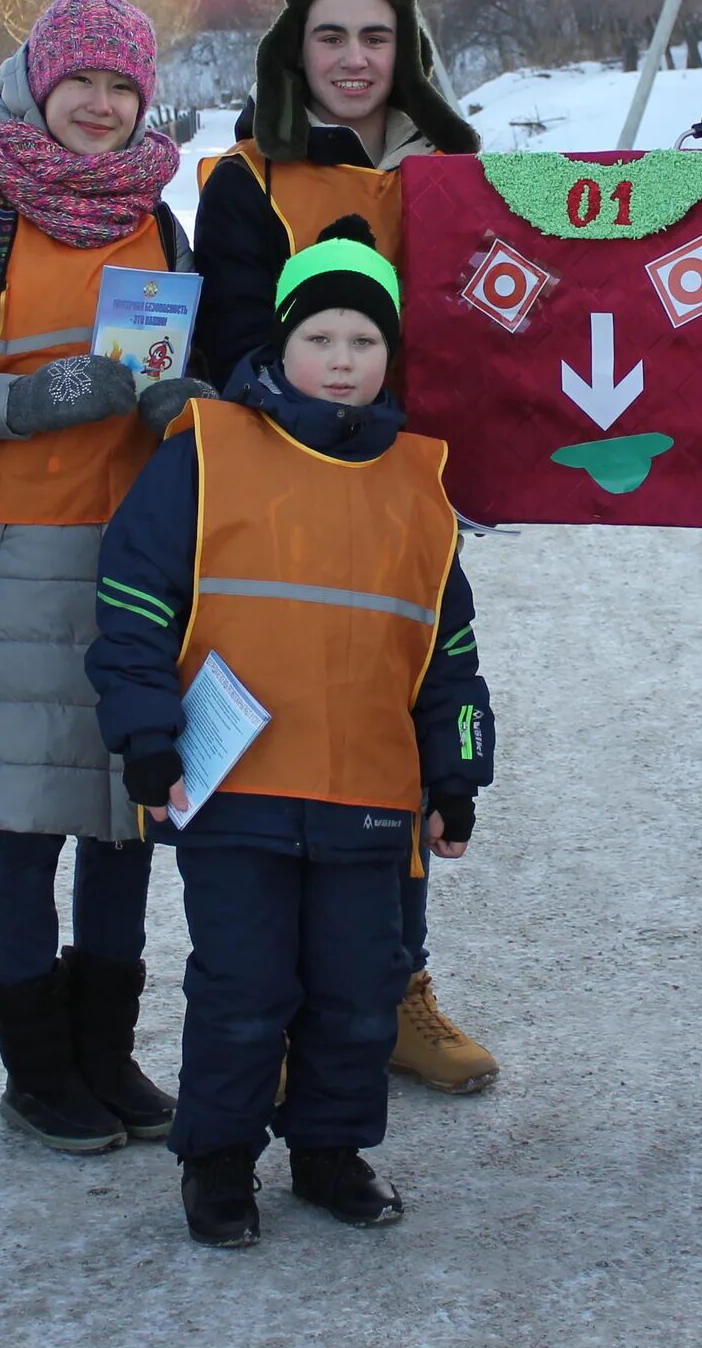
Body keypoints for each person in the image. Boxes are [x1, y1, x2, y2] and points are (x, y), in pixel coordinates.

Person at [87, 218, 495, 1248]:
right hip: (239, 788)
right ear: (281, 345)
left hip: (369, 787)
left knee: (362, 983)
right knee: (243, 986)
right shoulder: (207, 453)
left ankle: (331, 1150)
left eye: (366, 340)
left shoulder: (419, 483)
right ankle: (217, 1161)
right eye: (323, 338)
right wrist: (143, 734)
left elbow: (449, 651)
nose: (344, 360)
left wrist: (457, 777)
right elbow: (134, 603)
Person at [0, 0, 206, 1154]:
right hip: (16, 556)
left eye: (124, 85)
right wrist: (32, 400)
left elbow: (183, 362)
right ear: (37, 80)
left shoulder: (164, 220)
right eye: (80, 79)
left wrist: (187, 404)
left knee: (126, 812)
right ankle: (36, 1068)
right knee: (25, 820)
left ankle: (106, 1050)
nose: (101, 104)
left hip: (137, 556)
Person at [188, 0, 495, 1096]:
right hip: (279, 510)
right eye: (331, 35)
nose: (355, 59)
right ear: (294, 47)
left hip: (408, 501)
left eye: (376, 35)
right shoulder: (247, 178)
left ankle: (397, 985)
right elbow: (225, 344)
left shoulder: (451, 170)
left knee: (398, 734)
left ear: (405, 45)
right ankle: (267, 1015)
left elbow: (494, 325)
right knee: (272, 752)